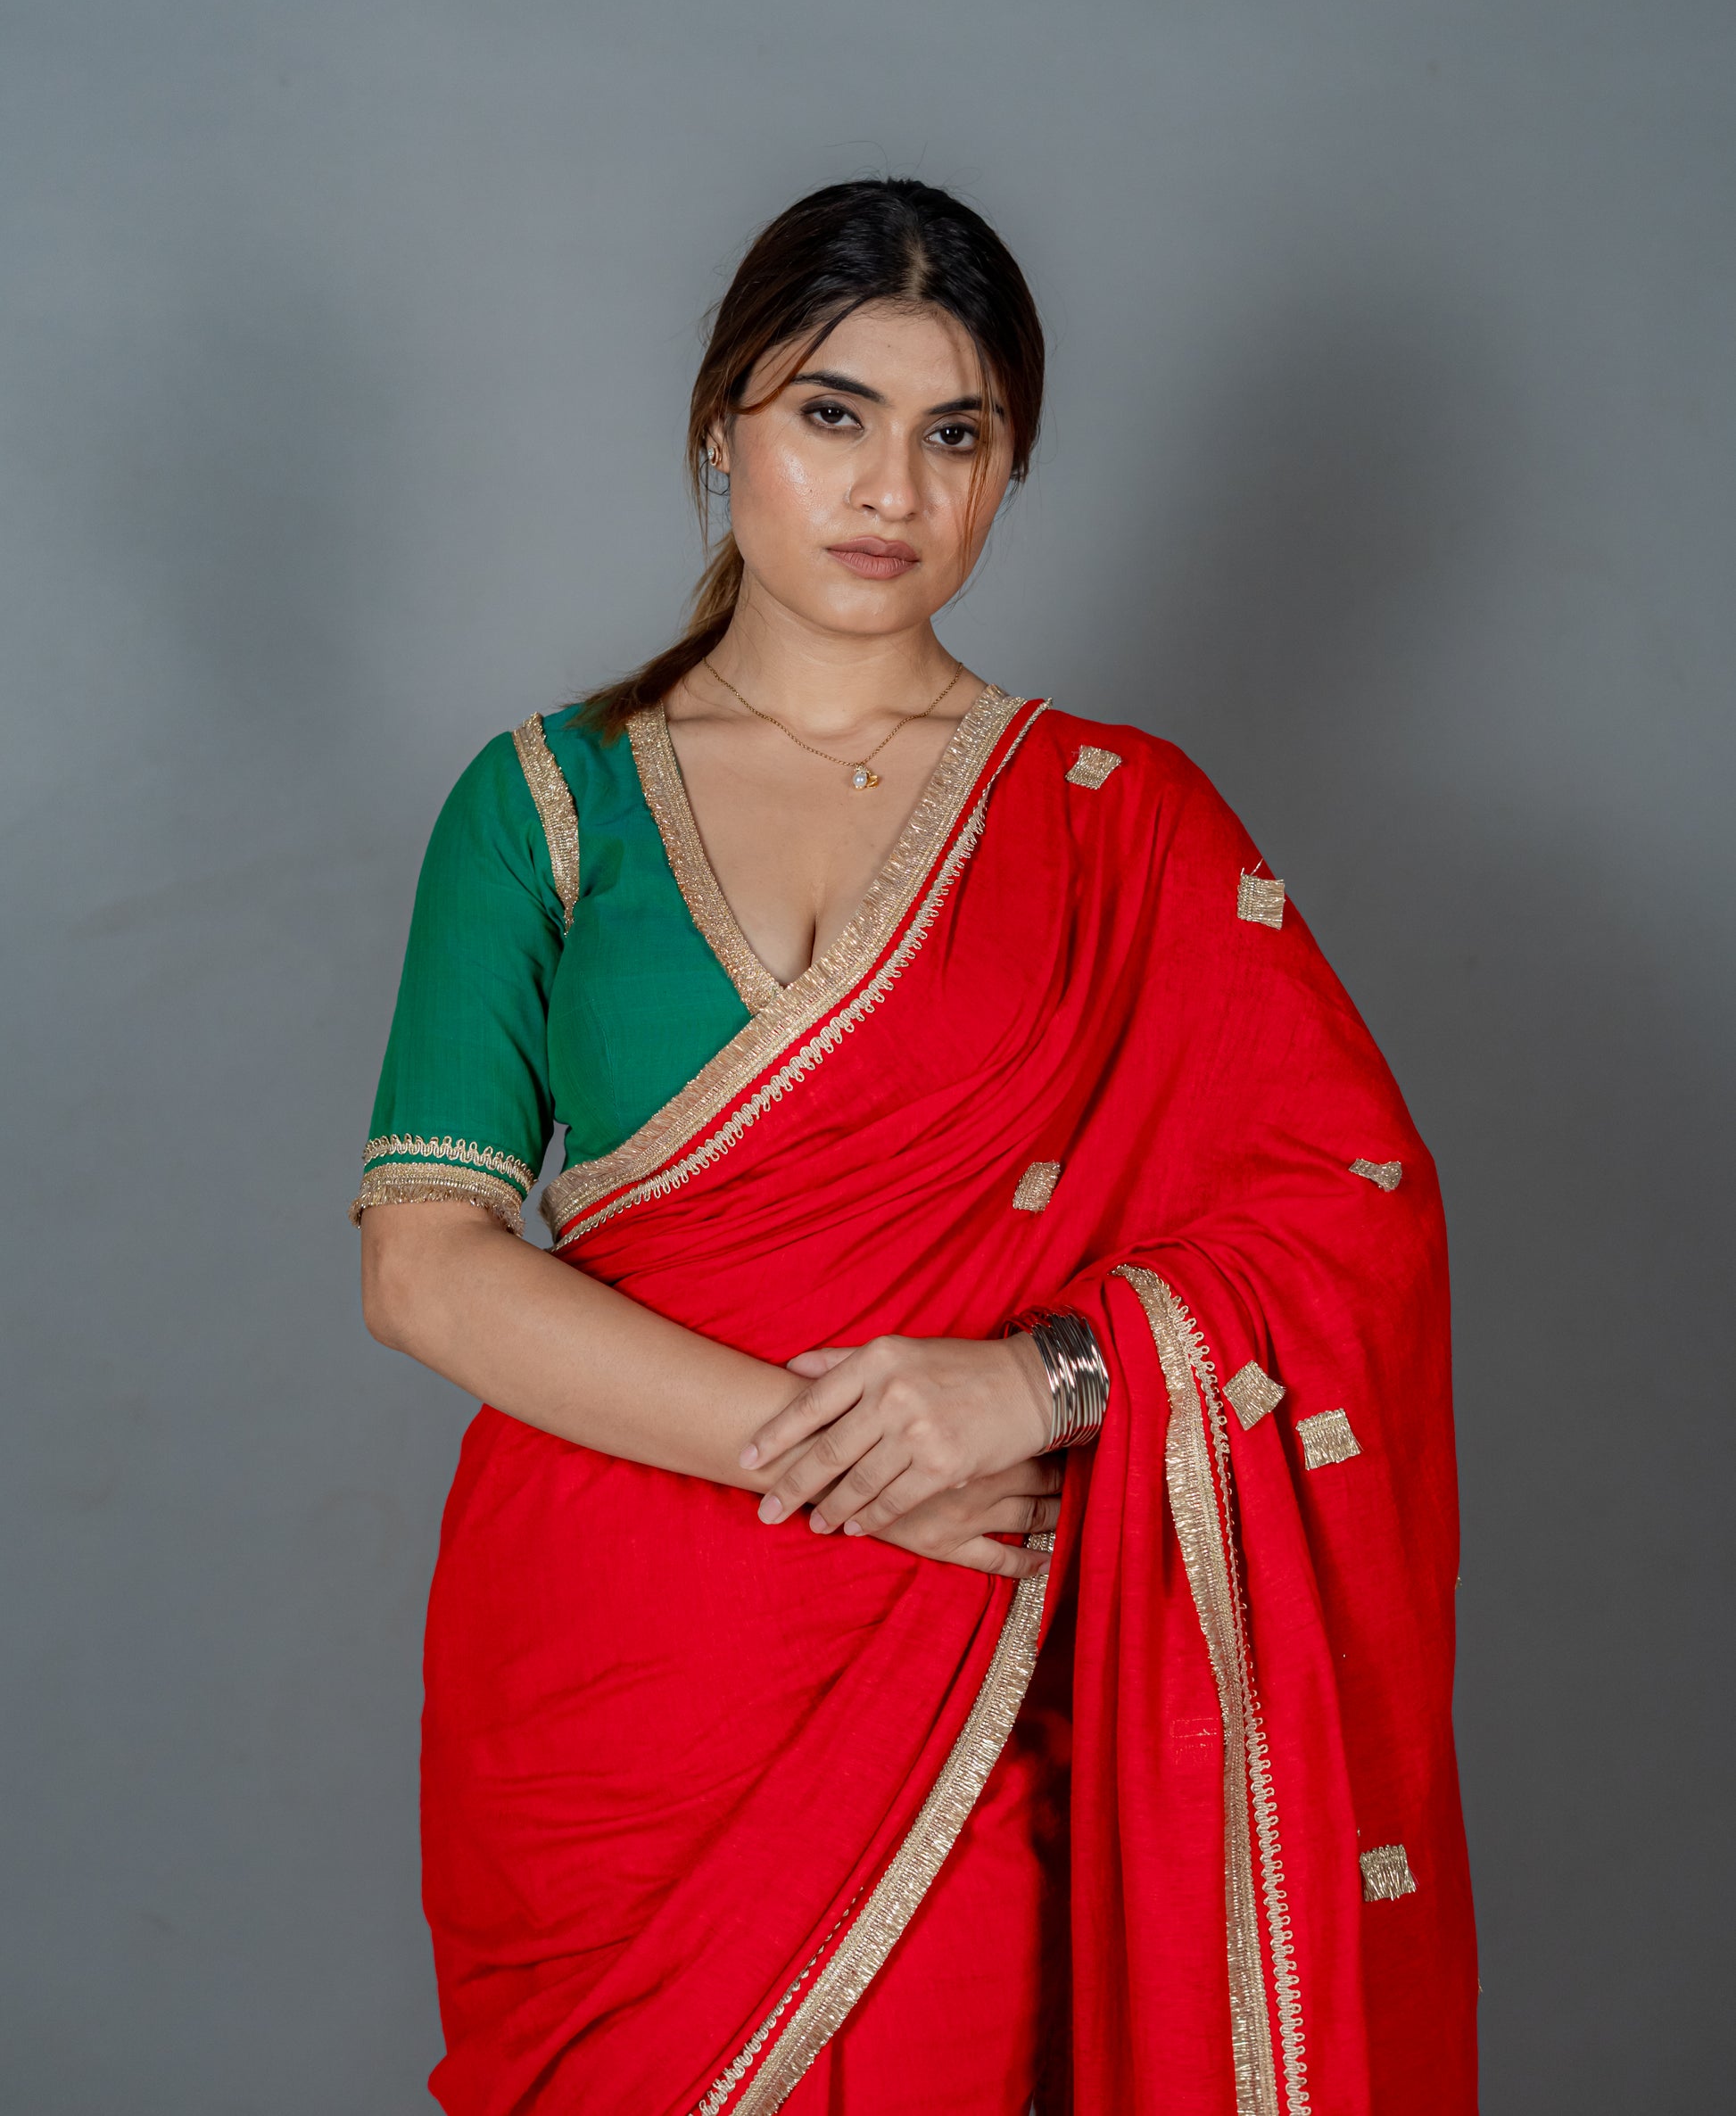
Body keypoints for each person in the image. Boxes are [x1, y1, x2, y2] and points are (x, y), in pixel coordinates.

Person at [355, 178, 1476, 2116]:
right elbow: (423, 1263)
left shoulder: (1120, 817)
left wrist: (1033, 1381)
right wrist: (851, 1464)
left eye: (955, 433)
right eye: (831, 414)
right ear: (722, 429)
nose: (891, 488)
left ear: (1010, 466)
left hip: (957, 1658)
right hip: (613, 1659)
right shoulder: (541, 802)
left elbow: (1349, 1212)